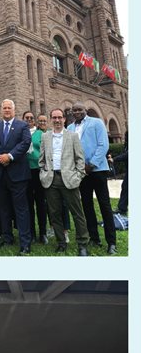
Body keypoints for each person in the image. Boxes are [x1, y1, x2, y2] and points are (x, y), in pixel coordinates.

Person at [39, 108, 90, 255]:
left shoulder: (72, 136)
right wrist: (43, 173)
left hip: (69, 179)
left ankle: (82, 244)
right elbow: (41, 159)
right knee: (54, 214)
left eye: (59, 117)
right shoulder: (45, 137)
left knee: (77, 213)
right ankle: (61, 242)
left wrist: (79, 175)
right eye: (54, 118)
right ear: (51, 119)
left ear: (64, 119)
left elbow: (80, 158)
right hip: (51, 180)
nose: (57, 120)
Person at [68, 103, 117, 254]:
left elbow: (103, 145)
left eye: (79, 110)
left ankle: (111, 242)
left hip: (97, 170)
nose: (77, 112)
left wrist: (92, 164)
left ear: (85, 110)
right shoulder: (69, 128)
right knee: (87, 206)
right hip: (81, 172)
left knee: (105, 206)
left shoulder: (96, 123)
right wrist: (79, 167)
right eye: (74, 110)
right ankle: (94, 238)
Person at [0, 99, 33, 254]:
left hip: (17, 174)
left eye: (9, 108)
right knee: (3, 208)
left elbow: (25, 143)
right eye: (4, 107)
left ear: (14, 109)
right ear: (1, 109)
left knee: (21, 209)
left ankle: (25, 242)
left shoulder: (22, 126)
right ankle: (7, 238)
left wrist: (10, 156)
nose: (6, 110)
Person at [27, 113, 49, 244]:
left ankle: (43, 233)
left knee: (41, 202)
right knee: (28, 203)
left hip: (38, 170)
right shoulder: (22, 133)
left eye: (31, 118)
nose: (29, 119)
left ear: (35, 121)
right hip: (25, 172)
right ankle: (31, 233)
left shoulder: (41, 134)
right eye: (27, 118)